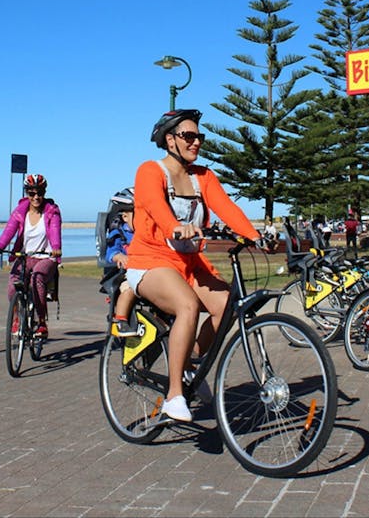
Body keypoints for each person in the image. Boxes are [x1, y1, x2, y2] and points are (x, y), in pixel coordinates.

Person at [125, 109, 262, 423]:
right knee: (187, 305)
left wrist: (255, 235)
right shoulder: (150, 171)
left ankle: (188, 363)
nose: (196, 141)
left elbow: (226, 207)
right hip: (150, 261)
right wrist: (175, 226)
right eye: (189, 136)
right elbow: (156, 207)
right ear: (170, 140)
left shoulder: (204, 176)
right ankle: (174, 395)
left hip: (189, 263)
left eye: (199, 136)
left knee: (229, 304)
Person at [0, 174, 62, 339]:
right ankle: (17, 317)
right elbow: (10, 229)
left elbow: (55, 231)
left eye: (39, 193)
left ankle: (42, 322)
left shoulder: (52, 212)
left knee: (36, 278)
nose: (36, 197)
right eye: (31, 193)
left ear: (44, 192)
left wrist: (56, 248)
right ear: (27, 194)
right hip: (24, 256)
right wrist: (0, 246)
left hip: (46, 257)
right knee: (12, 285)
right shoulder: (20, 211)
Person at [105, 188, 137, 337]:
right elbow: (111, 251)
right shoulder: (119, 233)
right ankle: (121, 319)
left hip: (146, 271)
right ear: (125, 216)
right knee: (129, 289)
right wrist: (119, 257)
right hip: (126, 274)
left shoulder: (147, 232)